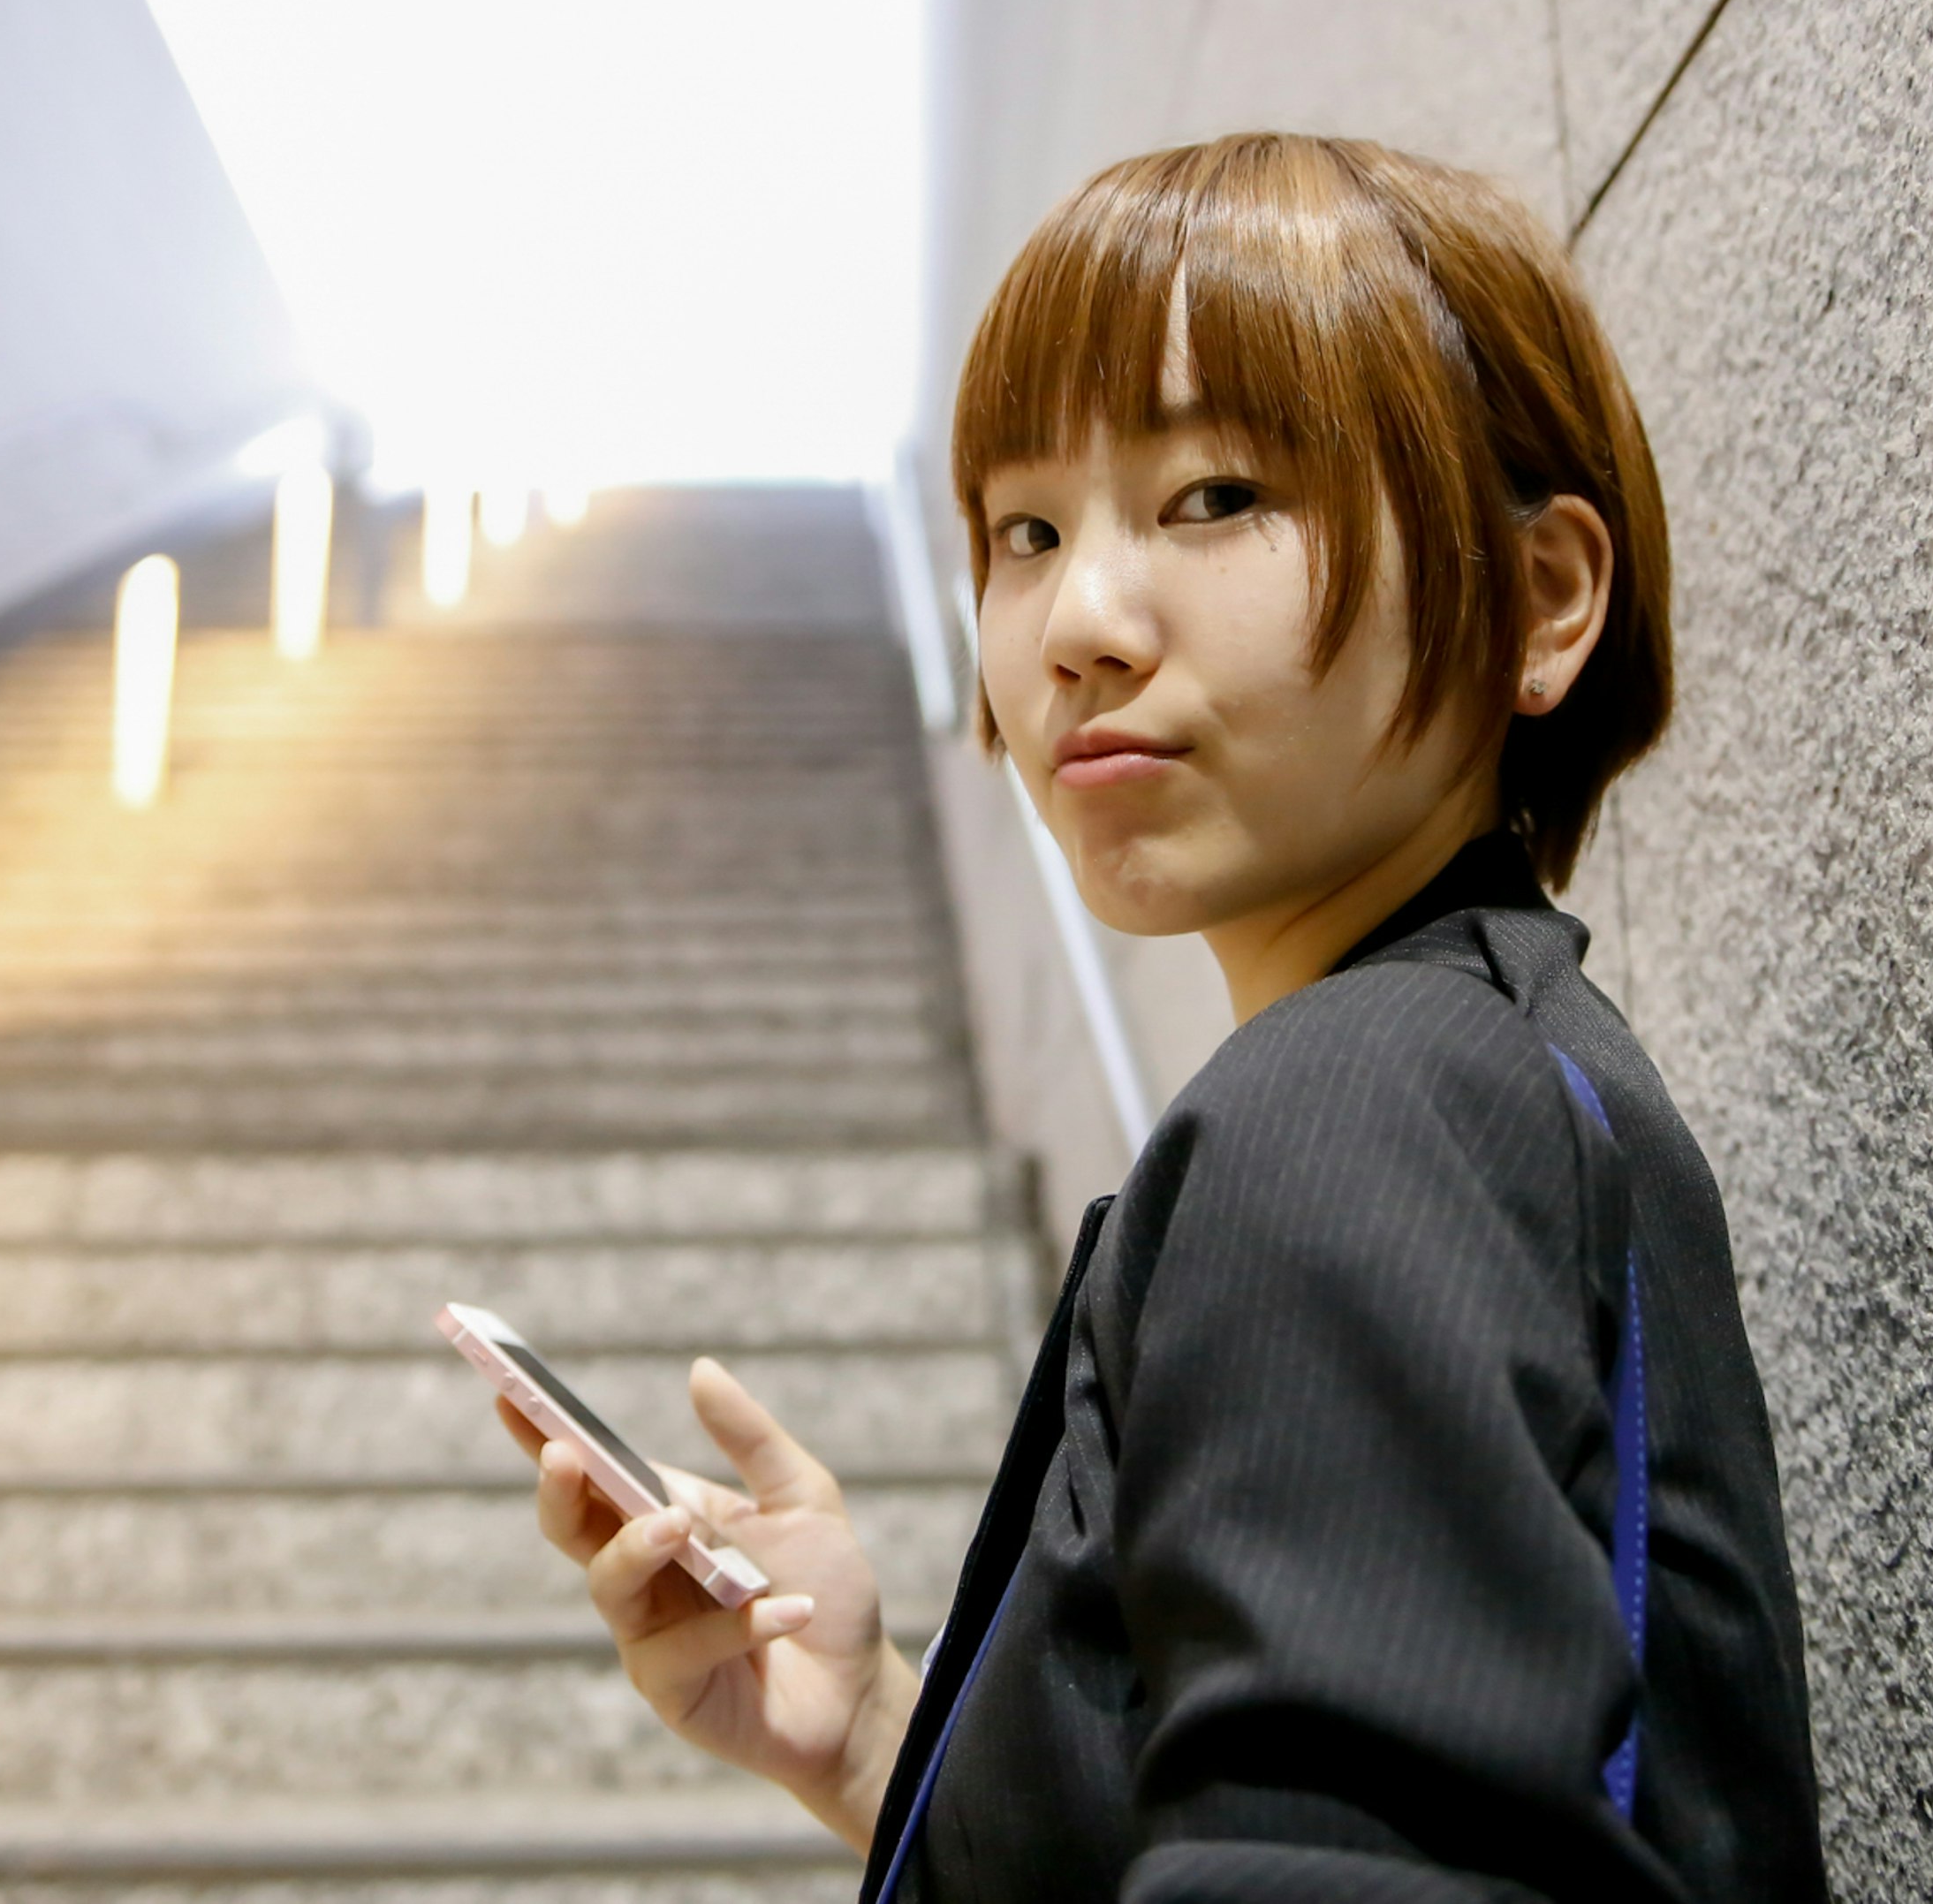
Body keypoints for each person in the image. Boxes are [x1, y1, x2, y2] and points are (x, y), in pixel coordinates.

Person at [503, 133, 1827, 1900]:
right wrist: (876, 1732)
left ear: (1541, 594)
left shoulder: (1359, 1093)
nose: (1078, 625)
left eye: (1212, 498)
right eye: (1025, 529)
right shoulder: (1502, 1060)